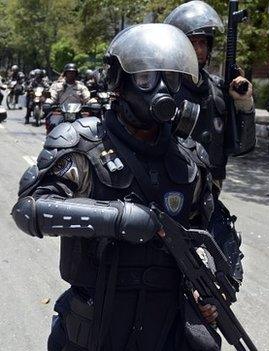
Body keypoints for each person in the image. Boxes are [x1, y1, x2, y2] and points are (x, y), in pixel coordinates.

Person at [11, 23, 222, 350]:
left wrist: (209, 280)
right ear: (119, 83)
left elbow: (213, 230)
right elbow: (30, 210)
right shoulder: (81, 143)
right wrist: (119, 218)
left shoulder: (190, 158)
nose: (161, 89)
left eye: (171, 78)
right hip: (95, 322)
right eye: (146, 78)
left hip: (164, 322)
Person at [165, 0, 253, 282]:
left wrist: (244, 104)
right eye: (192, 43)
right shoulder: (161, 86)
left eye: (203, 43)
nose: (199, 50)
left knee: (225, 269)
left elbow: (240, 146)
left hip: (208, 193)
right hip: (166, 190)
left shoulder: (218, 90)